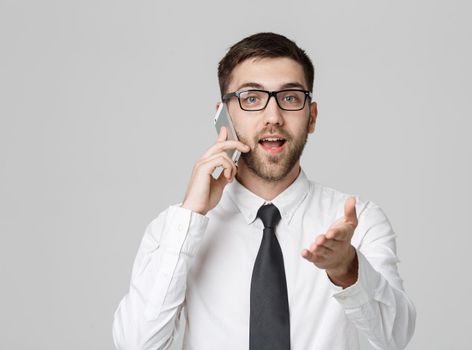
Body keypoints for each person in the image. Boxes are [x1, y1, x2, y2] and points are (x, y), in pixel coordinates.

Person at [112, 32, 416, 350]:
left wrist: (347, 270)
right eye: (252, 99)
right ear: (223, 116)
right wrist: (190, 216)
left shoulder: (359, 221)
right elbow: (136, 344)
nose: (273, 117)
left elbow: (396, 337)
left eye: (290, 98)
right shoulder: (174, 229)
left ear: (311, 116)